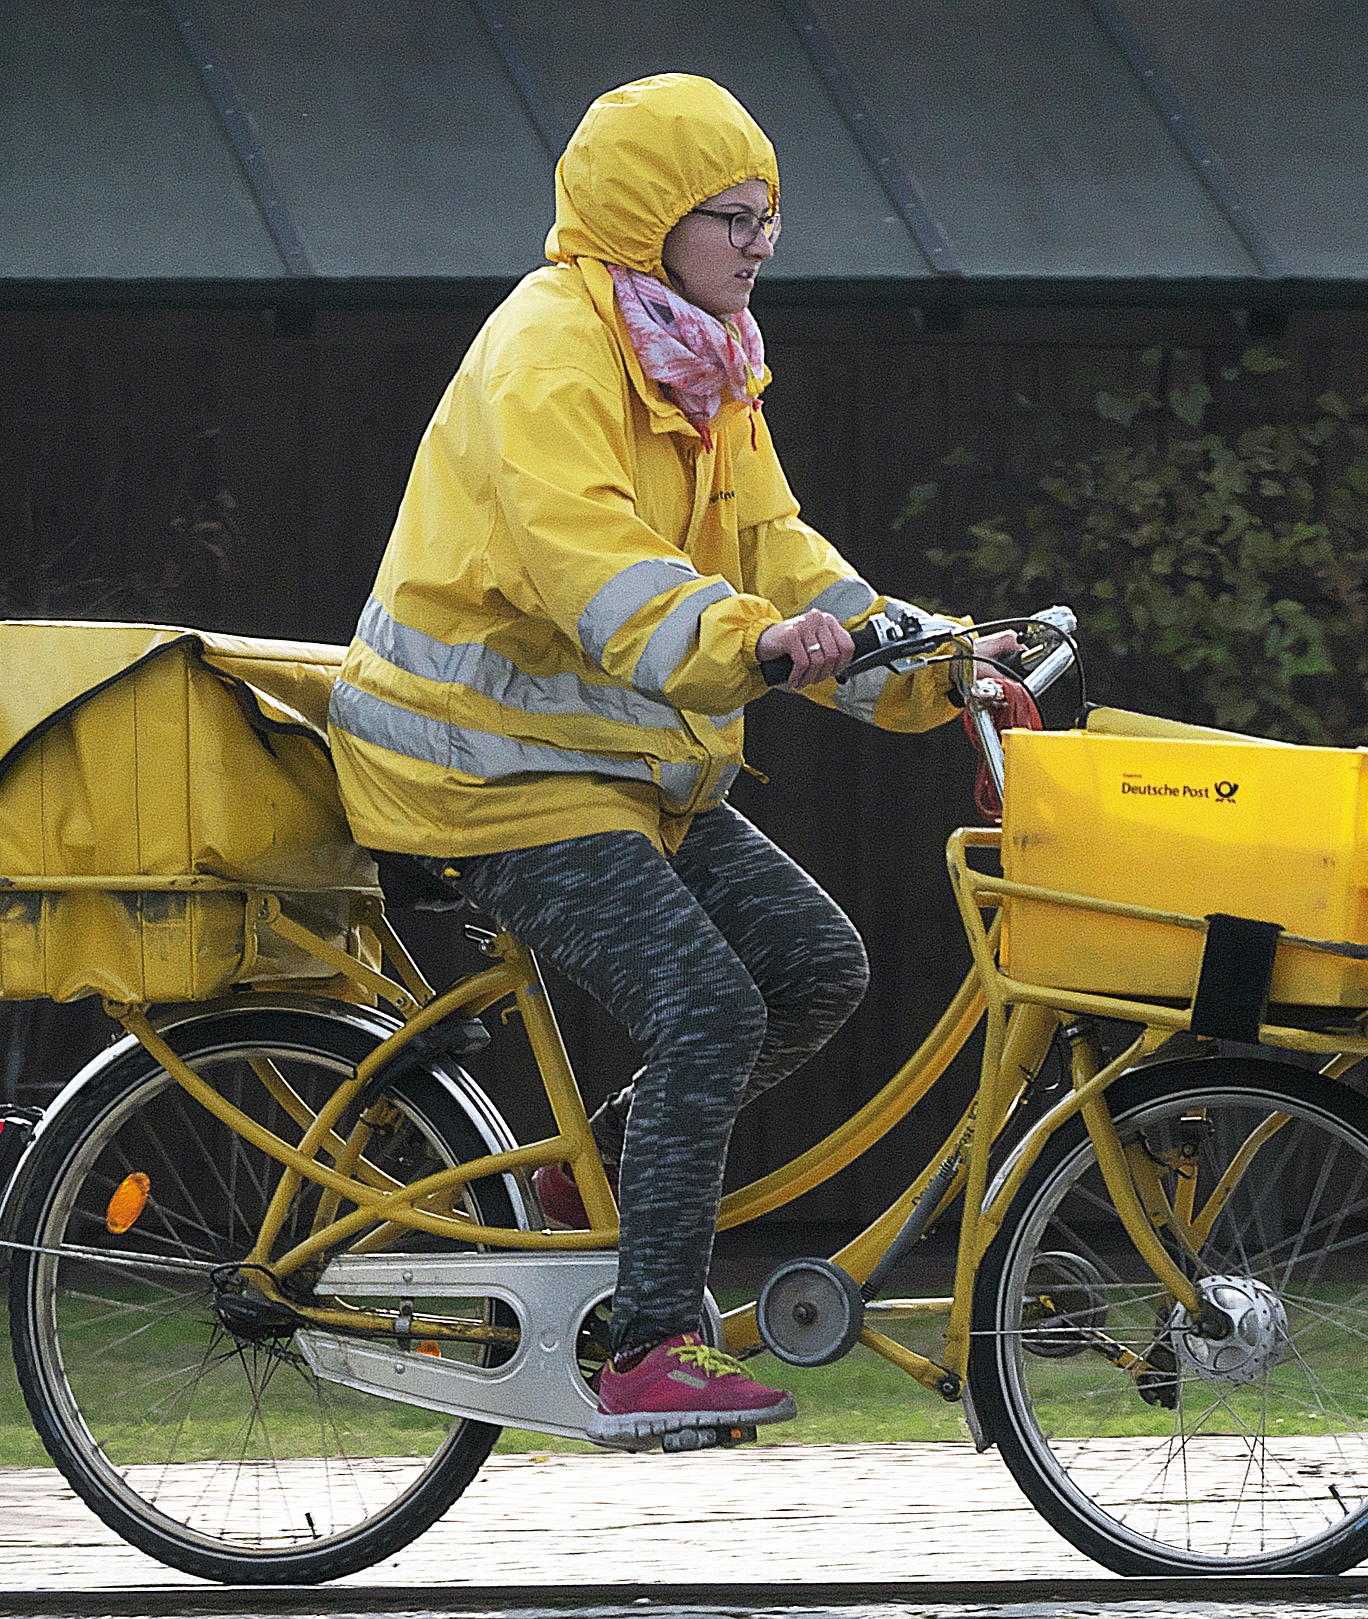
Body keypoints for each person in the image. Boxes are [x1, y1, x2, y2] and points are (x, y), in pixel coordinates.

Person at [329, 73, 1013, 1450]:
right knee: (711, 1005)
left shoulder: (702, 357)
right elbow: (592, 561)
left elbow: (776, 548)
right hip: (485, 775)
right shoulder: (548, 355)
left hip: (609, 768)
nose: (763, 242)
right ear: (650, 217)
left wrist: (936, 662)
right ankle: (648, 1348)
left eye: (771, 218)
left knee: (816, 967)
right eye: (735, 216)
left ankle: (609, 1190)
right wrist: (751, 649)